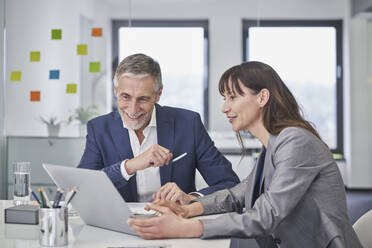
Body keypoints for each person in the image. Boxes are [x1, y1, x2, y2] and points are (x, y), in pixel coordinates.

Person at [127, 61, 362, 248]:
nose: (224, 107)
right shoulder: (272, 145)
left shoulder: (295, 141)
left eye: (233, 97)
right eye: (224, 98)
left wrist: (188, 227)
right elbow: (237, 195)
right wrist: (188, 208)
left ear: (262, 97)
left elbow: (265, 215)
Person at [78, 53, 240, 204]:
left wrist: (190, 198)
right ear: (115, 92)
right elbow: (80, 187)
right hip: (118, 227)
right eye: (125, 97)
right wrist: (130, 166)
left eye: (143, 99)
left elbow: (229, 184)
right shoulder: (99, 128)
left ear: (158, 94)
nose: (133, 110)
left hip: (176, 225)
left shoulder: (188, 123)